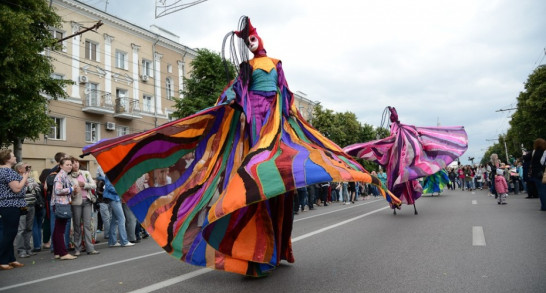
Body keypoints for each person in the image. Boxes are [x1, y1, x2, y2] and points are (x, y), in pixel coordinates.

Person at [82, 16, 397, 277]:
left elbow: (284, 95)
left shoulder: (274, 63)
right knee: (251, 195)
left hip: (273, 129)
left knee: (279, 193)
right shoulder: (243, 73)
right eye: (247, 42)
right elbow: (231, 98)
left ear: (260, 40)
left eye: (253, 39)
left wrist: (292, 126)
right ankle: (254, 256)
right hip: (252, 132)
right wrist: (226, 107)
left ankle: (276, 249)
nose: (251, 44)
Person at [344, 106, 468, 215]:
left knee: (398, 183)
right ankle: (399, 201)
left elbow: (395, 142)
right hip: (400, 163)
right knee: (400, 182)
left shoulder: (400, 131)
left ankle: (396, 202)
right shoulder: (405, 129)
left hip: (400, 163)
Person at [0, 149, 28, 270]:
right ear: (7, 159)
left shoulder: (4, 171)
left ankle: (11, 258)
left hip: (7, 204)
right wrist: (25, 177)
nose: (15, 157)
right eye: (13, 156)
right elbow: (16, 188)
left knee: (9, 232)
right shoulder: (7, 171)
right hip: (10, 205)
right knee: (9, 233)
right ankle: (3, 260)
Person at [68, 157, 99, 255]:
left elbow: (94, 185)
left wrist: (84, 184)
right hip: (76, 202)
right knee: (77, 225)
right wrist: (73, 190)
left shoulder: (85, 173)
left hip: (87, 201)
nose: (76, 164)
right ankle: (77, 249)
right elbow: (67, 190)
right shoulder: (68, 176)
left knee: (87, 225)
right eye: (73, 163)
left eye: (77, 162)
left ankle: (90, 248)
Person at [51, 157, 78, 260]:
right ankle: (63, 253)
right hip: (60, 204)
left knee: (58, 229)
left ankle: (57, 252)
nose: (70, 166)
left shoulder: (64, 176)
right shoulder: (60, 176)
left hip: (62, 203)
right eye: (67, 164)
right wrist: (71, 189)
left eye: (70, 164)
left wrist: (72, 190)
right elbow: (58, 191)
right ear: (61, 166)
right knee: (60, 229)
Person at [97, 174, 134, 248]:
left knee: (114, 220)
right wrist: (121, 190)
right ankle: (124, 241)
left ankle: (112, 241)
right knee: (121, 218)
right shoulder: (111, 174)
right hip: (114, 198)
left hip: (116, 198)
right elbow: (109, 187)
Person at [13, 162, 38, 258]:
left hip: (32, 204)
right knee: (21, 229)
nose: (29, 168)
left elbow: (36, 189)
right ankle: (21, 250)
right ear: (20, 169)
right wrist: (27, 186)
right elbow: (19, 189)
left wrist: (28, 186)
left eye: (30, 167)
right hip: (22, 206)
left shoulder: (31, 178)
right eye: (26, 167)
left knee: (29, 228)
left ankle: (28, 249)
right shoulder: (15, 179)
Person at [529, 138, 546, 211]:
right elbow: (542, 162)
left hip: (536, 174)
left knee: (541, 190)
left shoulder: (534, 152)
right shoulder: (544, 151)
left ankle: (543, 206)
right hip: (543, 172)